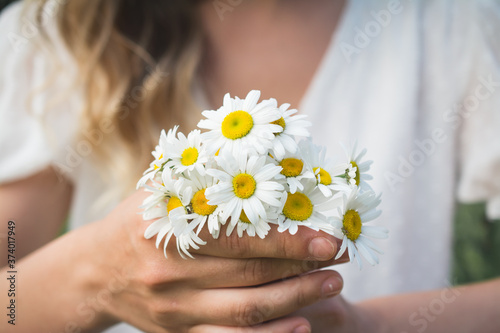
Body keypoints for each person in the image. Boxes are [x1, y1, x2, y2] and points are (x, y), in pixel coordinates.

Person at [1, 0, 499, 332]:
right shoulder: (54, 34)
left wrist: (368, 325)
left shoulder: (455, 21)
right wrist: (96, 276)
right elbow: (8, 301)